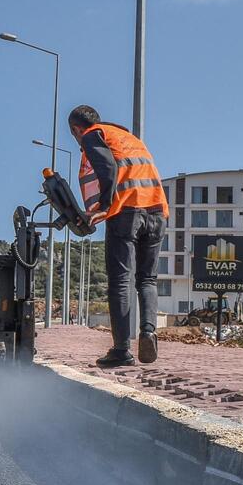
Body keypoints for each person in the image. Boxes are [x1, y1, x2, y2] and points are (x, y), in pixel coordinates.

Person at [69, 104, 168, 368]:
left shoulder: (92, 134)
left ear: (77, 129)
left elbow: (107, 170)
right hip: (158, 210)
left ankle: (121, 349)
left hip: (126, 212)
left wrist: (102, 207)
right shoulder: (127, 137)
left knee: (121, 280)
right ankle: (148, 332)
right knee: (147, 279)